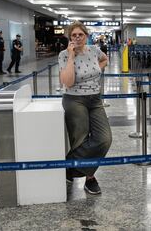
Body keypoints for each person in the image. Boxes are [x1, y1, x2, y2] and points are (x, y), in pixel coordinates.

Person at [58, 21, 112, 195]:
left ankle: (68, 165)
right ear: (70, 38)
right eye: (73, 35)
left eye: (80, 34)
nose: (77, 37)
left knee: (104, 138)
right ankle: (90, 178)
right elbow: (67, 81)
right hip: (74, 100)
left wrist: (97, 70)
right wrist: (72, 57)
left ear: (86, 36)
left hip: (95, 99)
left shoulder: (94, 50)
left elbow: (105, 59)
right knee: (80, 139)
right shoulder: (64, 55)